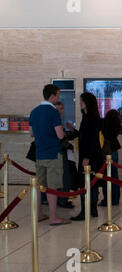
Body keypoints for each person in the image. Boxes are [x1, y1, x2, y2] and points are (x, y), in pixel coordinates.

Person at [29, 84, 71, 225]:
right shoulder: (53, 112)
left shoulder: (34, 111)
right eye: (58, 95)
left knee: (40, 186)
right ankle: (53, 217)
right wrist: (64, 133)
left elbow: (31, 133)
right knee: (52, 187)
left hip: (39, 153)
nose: (59, 97)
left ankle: (39, 213)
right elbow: (59, 135)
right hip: (53, 153)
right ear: (52, 96)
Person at [70, 93, 103, 221]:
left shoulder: (93, 117)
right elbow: (85, 136)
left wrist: (87, 157)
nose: (80, 103)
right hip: (88, 154)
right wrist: (74, 132)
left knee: (87, 183)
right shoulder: (87, 116)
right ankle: (92, 210)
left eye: (82, 101)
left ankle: (86, 211)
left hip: (90, 156)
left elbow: (93, 139)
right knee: (91, 184)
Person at [54, 101, 77, 209]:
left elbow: (65, 137)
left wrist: (72, 130)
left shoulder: (60, 122)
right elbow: (59, 139)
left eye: (62, 109)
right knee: (64, 178)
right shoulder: (54, 121)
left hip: (62, 154)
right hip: (58, 154)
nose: (60, 111)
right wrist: (69, 146)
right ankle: (62, 200)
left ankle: (62, 199)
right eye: (58, 109)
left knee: (65, 178)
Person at [99, 109, 121, 206]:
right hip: (114, 150)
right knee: (115, 176)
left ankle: (107, 199)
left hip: (106, 151)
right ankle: (116, 199)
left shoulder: (104, 123)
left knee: (106, 177)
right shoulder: (117, 125)